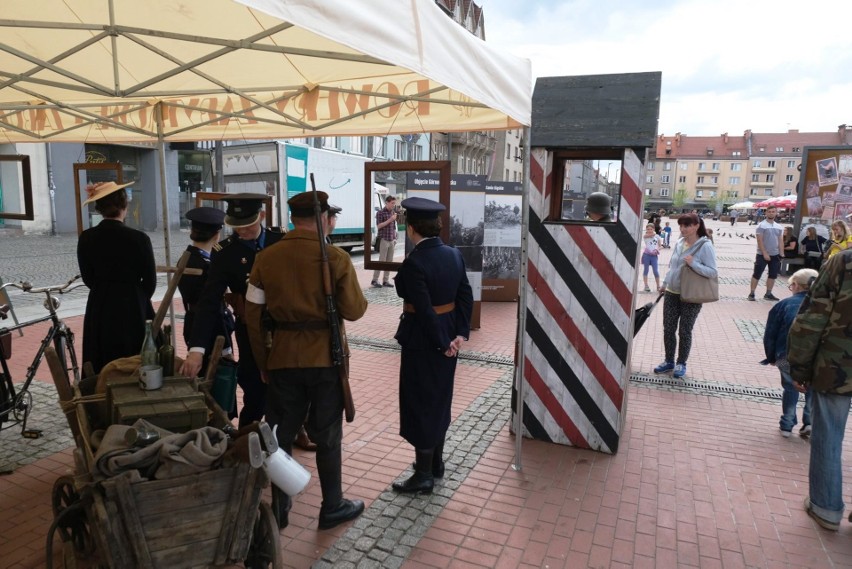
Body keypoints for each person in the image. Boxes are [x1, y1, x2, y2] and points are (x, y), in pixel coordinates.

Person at [245, 191, 367, 530]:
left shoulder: (265, 259)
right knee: (327, 435)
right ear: (325, 218)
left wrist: (263, 362)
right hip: (326, 360)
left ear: (292, 218)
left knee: (281, 434)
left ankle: (281, 508)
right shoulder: (336, 258)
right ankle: (332, 506)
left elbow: (253, 316)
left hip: (282, 357)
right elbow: (355, 311)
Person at [179, 193, 284, 429]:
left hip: (284, 329)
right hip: (250, 331)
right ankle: (250, 434)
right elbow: (208, 301)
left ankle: (293, 430)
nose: (241, 232)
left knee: (287, 387)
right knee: (254, 387)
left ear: (262, 216)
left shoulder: (280, 240)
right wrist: (196, 349)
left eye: (247, 226)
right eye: (236, 227)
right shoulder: (224, 251)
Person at [391, 197, 473, 494]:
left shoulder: (415, 262)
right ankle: (435, 463)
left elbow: (424, 310)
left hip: (425, 342)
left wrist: (441, 343)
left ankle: (424, 475)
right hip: (449, 336)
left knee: (420, 403)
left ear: (411, 228)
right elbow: (465, 295)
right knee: (439, 399)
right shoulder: (453, 254)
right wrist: (459, 335)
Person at [787, 248, 852, 531]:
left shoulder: (844, 261)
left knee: (827, 436)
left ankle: (826, 508)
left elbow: (814, 316)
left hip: (838, 366)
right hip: (837, 366)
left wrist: (799, 367)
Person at [77, 181, 156, 374]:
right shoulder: (139, 238)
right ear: (124, 206)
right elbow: (150, 281)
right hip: (133, 303)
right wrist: (138, 296)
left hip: (100, 302)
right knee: (135, 353)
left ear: (99, 209)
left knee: (102, 351)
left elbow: (87, 277)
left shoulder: (86, 237)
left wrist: (103, 288)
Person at [653, 213, 717, 379]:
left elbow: (712, 272)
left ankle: (681, 363)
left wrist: (693, 263)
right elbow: (673, 266)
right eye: (681, 226)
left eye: (687, 225)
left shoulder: (705, 246)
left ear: (696, 225)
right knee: (668, 328)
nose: (683, 229)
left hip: (691, 295)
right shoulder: (680, 242)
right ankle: (669, 360)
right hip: (672, 292)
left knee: (685, 330)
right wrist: (665, 284)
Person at [178, 207, 234, 373]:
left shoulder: (186, 258)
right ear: (217, 235)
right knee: (219, 380)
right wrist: (226, 349)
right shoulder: (207, 266)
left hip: (192, 324)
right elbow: (212, 308)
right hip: (212, 330)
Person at [762, 268, 818, 438]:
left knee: (789, 387)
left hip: (785, 354)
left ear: (795, 285)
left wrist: (771, 356)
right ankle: (809, 422)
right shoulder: (822, 306)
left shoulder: (783, 305)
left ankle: (787, 423)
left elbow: (770, 334)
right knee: (811, 388)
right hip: (813, 357)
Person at [747, 205, 783, 301]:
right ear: (766, 213)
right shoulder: (761, 225)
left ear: (776, 213)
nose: (771, 213)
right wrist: (764, 253)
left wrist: (781, 253)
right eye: (769, 211)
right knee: (757, 274)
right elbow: (760, 241)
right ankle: (752, 293)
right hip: (762, 255)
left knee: (773, 275)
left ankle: (768, 293)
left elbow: (780, 240)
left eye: (773, 211)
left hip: (775, 254)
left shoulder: (779, 227)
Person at [371, 195, 398, 288]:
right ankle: (374, 280)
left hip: (391, 240)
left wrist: (395, 238)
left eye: (394, 203)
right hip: (384, 239)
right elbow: (378, 226)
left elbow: (393, 227)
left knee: (389, 261)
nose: (393, 205)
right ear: (387, 202)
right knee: (381, 260)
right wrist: (390, 220)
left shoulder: (393, 212)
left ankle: (385, 280)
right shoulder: (380, 213)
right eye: (392, 203)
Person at [641, 223, 661, 292]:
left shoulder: (657, 237)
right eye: (648, 229)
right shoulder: (645, 236)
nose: (649, 230)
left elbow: (660, 245)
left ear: (653, 229)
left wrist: (657, 250)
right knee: (646, 270)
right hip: (646, 255)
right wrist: (654, 233)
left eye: (651, 229)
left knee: (655, 271)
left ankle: (658, 286)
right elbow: (650, 235)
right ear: (646, 230)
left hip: (654, 256)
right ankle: (646, 286)